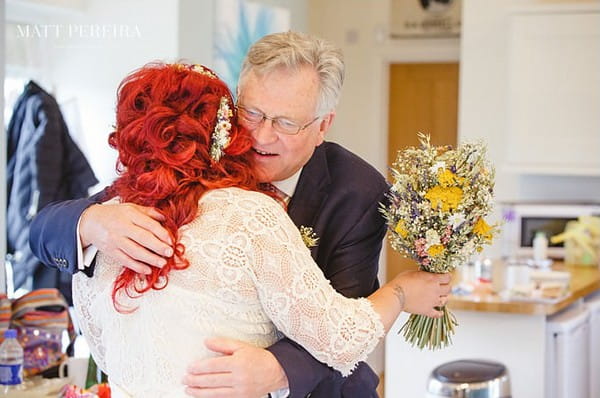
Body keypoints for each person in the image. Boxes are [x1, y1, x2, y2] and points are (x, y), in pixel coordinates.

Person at [30, 32, 451, 398]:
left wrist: (277, 369)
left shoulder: (356, 190)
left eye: (286, 122)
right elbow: (44, 229)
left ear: (323, 126)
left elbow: (344, 315)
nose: (262, 137)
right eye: (251, 113)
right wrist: (90, 223)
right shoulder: (188, 165)